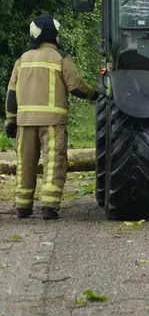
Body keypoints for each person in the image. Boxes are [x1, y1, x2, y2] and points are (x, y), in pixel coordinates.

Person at [4, 15, 98, 219]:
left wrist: (11, 120)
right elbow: (76, 86)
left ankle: (23, 206)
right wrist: (95, 94)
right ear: (52, 34)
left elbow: (11, 95)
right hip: (53, 124)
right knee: (54, 163)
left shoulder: (22, 60)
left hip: (25, 123)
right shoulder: (60, 58)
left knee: (25, 164)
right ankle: (49, 206)